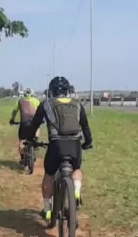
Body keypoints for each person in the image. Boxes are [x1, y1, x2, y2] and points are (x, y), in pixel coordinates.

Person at [25, 76, 93, 226]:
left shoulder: (46, 104)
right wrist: (88, 143)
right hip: (74, 145)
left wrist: (30, 140)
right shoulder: (77, 105)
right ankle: (76, 190)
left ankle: (47, 209)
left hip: (56, 146)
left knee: (49, 174)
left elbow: (35, 125)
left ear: (51, 91)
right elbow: (85, 127)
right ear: (67, 91)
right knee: (76, 169)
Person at [9, 88, 41, 164]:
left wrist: (12, 119)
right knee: (38, 127)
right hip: (34, 122)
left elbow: (15, 111)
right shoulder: (36, 100)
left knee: (21, 140)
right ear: (32, 94)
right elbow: (40, 110)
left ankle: (22, 157)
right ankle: (36, 138)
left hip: (24, 123)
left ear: (24, 94)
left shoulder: (20, 101)